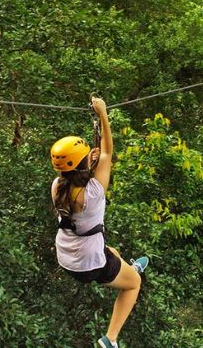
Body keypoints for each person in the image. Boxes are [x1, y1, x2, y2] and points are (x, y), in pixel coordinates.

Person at [50, 97, 148, 348]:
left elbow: (79, 173)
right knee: (133, 285)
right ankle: (110, 339)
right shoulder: (93, 192)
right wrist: (103, 114)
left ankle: (129, 267)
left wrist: (88, 163)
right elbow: (107, 151)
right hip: (87, 263)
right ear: (84, 164)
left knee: (112, 253)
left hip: (66, 255)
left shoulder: (57, 186)